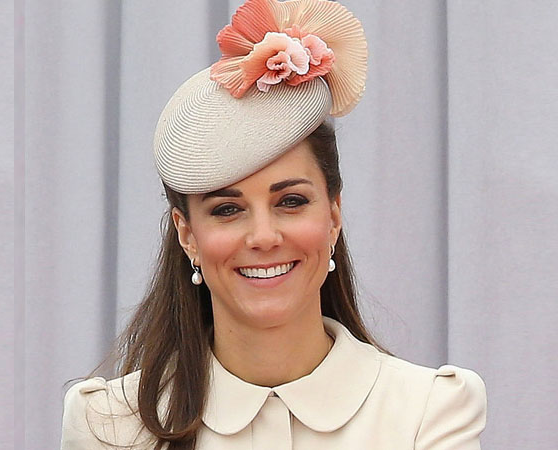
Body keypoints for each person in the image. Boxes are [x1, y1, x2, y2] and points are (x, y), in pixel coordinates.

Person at [60, 0, 487, 449]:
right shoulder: (107, 425)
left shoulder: (429, 411)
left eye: (291, 201)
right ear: (187, 235)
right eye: (227, 209)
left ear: (333, 216)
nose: (264, 237)